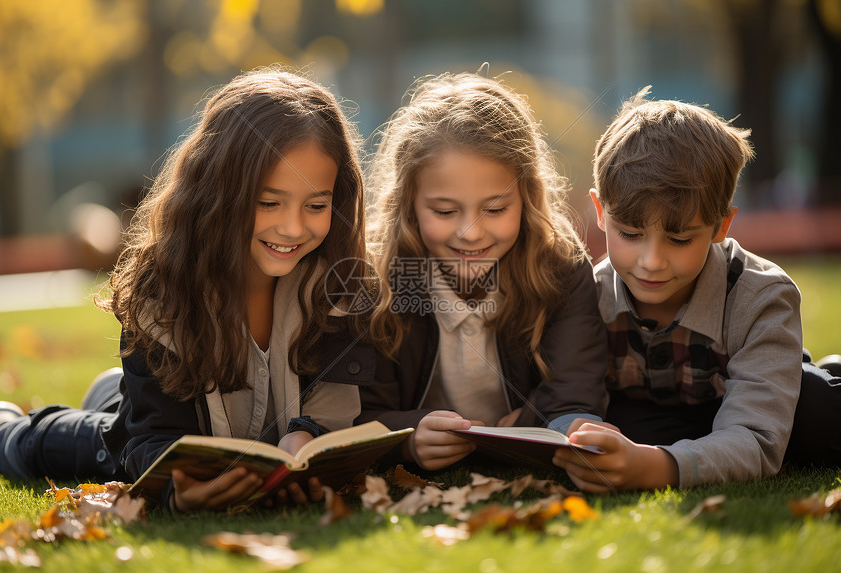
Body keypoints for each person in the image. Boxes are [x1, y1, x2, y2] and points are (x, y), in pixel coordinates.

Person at [0, 67, 376, 511]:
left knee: (129, 407)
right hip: (154, 430)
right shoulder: (165, 293)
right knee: (102, 444)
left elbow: (335, 402)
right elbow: (153, 440)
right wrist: (176, 491)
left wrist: (307, 438)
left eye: (316, 205)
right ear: (218, 191)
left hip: (175, 412)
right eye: (268, 202)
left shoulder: (338, 284)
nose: (292, 226)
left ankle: (115, 393)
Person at [552, 87, 841, 493]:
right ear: (601, 213)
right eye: (631, 233)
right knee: (625, 423)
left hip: (756, 401)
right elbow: (564, 400)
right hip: (673, 416)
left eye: (680, 239)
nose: (651, 261)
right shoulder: (586, 295)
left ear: (721, 227)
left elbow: (757, 438)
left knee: (815, 413)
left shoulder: (763, 297)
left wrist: (657, 468)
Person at [356, 72, 609, 471]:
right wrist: (407, 439)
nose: (470, 233)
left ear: (527, 198)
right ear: (408, 204)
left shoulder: (559, 268)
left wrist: (529, 424)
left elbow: (576, 393)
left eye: (495, 209)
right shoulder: (380, 280)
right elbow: (362, 413)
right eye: (444, 211)